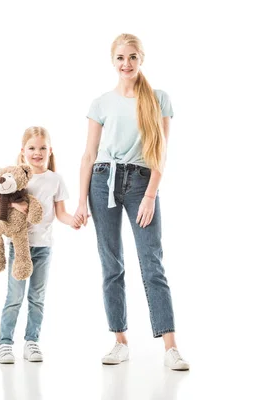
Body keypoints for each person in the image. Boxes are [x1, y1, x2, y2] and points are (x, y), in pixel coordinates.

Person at [73, 33, 190, 371]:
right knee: (112, 265)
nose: (127, 64)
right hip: (102, 181)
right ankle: (120, 340)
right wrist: (81, 201)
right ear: (113, 62)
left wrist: (151, 194)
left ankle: (170, 346)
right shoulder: (101, 103)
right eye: (121, 58)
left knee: (152, 264)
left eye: (133, 57)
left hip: (141, 183)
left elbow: (161, 152)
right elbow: (89, 155)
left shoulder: (158, 98)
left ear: (141, 60)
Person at [0, 126, 78, 364]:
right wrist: (17, 207)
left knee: (37, 297)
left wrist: (72, 220)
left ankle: (32, 342)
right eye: (32, 148)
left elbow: (60, 213)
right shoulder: (17, 178)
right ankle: (5, 344)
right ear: (23, 151)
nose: (37, 152)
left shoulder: (55, 180)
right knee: (15, 296)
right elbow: (3, 202)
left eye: (43, 148)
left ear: (50, 151)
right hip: (19, 247)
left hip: (43, 248)